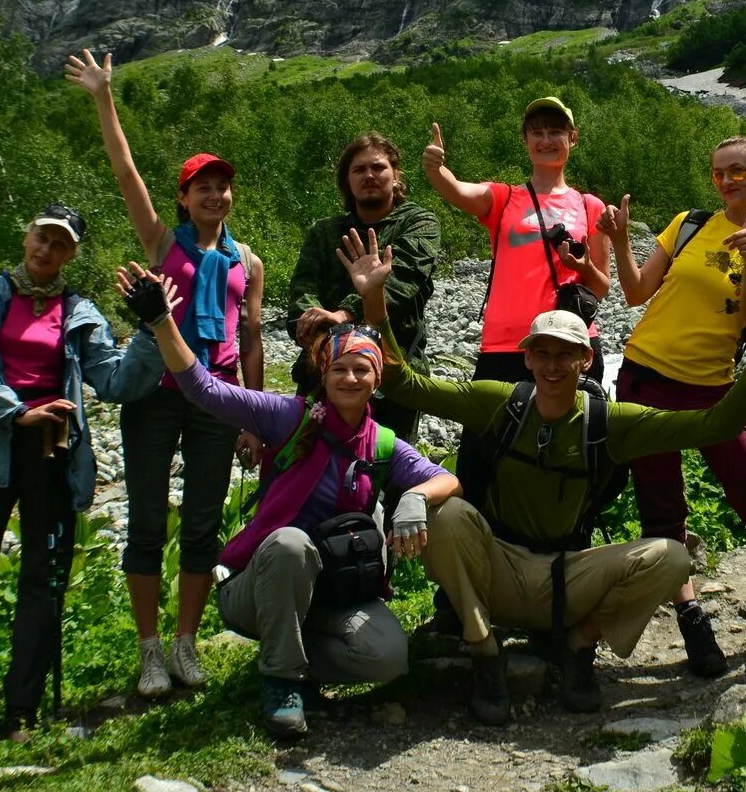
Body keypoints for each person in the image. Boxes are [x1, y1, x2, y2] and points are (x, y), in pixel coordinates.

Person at [344, 227, 746, 724]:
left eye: (565, 354)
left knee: (673, 557)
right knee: (444, 513)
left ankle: (578, 645)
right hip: (496, 568)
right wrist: (375, 301)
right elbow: (405, 382)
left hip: (567, 578)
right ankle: (484, 648)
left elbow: (715, 424)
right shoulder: (499, 402)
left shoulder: (609, 422)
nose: (553, 365)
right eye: (543, 353)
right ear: (526, 358)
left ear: (585, 359)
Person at [116, 262, 461, 740]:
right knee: (290, 543)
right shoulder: (286, 416)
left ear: (377, 380)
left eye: (362, 368)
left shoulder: (383, 444)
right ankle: (282, 682)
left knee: (387, 656)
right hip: (257, 587)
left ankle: (291, 650)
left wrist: (413, 500)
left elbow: (446, 479)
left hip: (332, 591)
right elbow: (204, 388)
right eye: (339, 367)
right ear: (324, 373)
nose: (350, 377)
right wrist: (161, 322)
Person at [64, 50, 264, 697]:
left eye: (222, 184)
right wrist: (103, 96)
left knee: (203, 520)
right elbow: (123, 168)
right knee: (148, 518)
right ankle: (149, 649)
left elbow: (251, 337)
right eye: (202, 185)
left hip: (217, 400)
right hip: (155, 394)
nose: (215, 192)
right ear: (183, 197)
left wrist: (253, 417)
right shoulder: (162, 241)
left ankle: (186, 644)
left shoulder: (248, 263)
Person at [600, 137, 746, 676]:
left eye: (736, 172)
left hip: (711, 388)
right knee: (661, 501)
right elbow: (636, 292)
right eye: (717, 174)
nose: (726, 181)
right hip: (645, 374)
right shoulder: (688, 223)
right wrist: (617, 244)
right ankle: (690, 617)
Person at [0, 204, 148, 738]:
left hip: (52, 450)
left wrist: (152, 327)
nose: (45, 249)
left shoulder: (80, 313)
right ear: (26, 235)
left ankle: (22, 709)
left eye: (59, 243)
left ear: (72, 253)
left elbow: (113, 382)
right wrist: (16, 411)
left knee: (42, 578)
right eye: (40, 237)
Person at [421, 98, 612, 383]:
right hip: (505, 344)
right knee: (489, 428)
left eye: (555, 131)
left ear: (573, 138)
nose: (545, 140)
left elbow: (601, 287)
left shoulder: (590, 206)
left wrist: (583, 267)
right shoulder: (503, 197)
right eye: (536, 132)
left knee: (569, 428)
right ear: (525, 140)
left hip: (568, 343)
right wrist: (435, 169)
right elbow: (458, 190)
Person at [283, 133, 442, 442]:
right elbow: (303, 289)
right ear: (346, 180)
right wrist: (311, 323)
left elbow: (403, 279)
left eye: (378, 167)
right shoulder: (325, 232)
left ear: (395, 175)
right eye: (358, 170)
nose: (369, 175)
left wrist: (343, 314)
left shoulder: (419, 223)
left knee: (390, 471)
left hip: (393, 371)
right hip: (325, 370)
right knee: (311, 472)